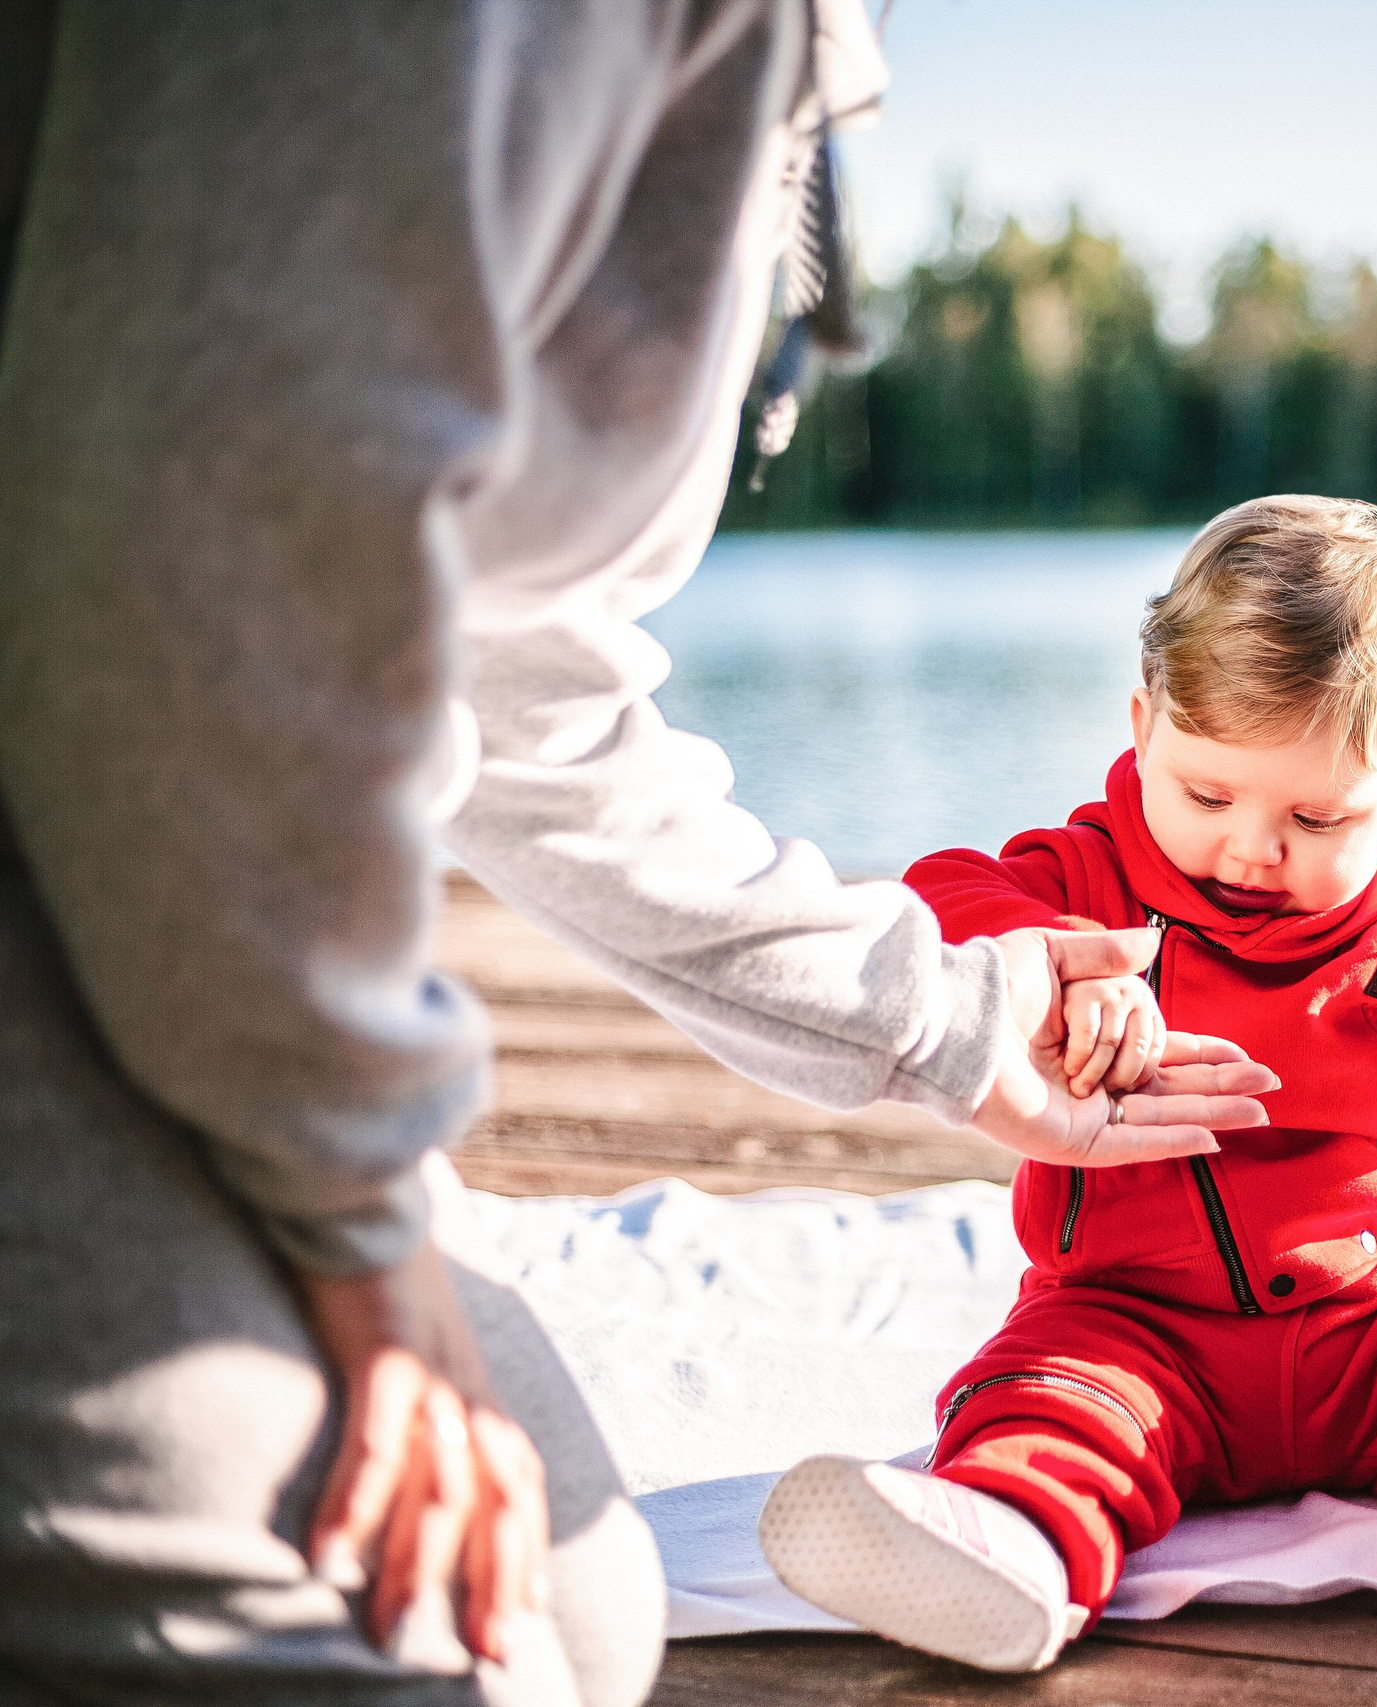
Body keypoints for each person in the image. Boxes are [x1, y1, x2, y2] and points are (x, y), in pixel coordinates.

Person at [0, 4, 1270, 1703]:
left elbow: (511, 674)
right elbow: (203, 578)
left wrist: (945, 1016)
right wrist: (357, 1217)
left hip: (150, 873)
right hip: (84, 817)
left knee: (577, 1612)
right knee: (419, 1654)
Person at [755, 497, 1377, 1672]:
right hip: (1134, 1322)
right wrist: (1047, 973)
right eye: (1206, 793)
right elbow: (940, 899)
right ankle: (1011, 1547)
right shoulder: (1081, 877)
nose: (1248, 847)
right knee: (1038, 1396)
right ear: (1144, 725)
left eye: (1315, 816)